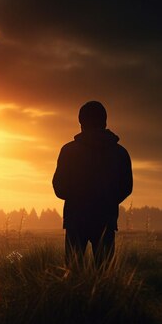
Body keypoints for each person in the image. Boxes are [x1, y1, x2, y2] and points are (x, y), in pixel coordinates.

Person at [52, 101, 132, 267]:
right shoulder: (120, 153)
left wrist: (77, 197)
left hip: (76, 219)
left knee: (73, 273)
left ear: (81, 122)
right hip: (106, 218)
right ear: (105, 122)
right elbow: (126, 187)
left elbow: (59, 187)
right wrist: (108, 200)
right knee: (105, 273)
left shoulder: (68, 151)